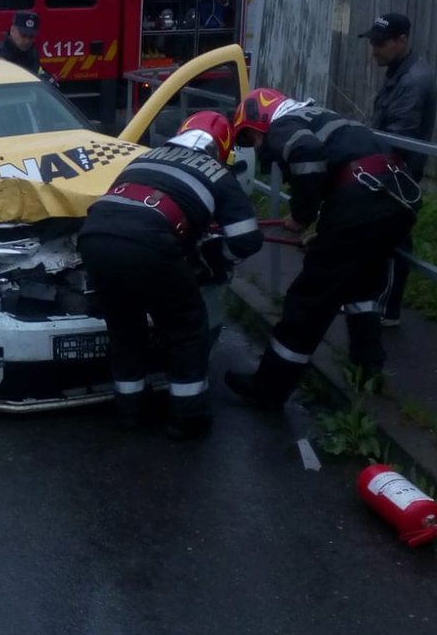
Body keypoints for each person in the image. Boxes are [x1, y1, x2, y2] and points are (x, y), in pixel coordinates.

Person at [225, 89, 420, 409]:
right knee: (363, 285)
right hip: (393, 200)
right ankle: (368, 367)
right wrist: (327, 231)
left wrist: (302, 217)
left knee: (308, 300)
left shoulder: (281, 125)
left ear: (259, 119)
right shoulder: (318, 115)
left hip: (361, 201)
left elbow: (307, 156)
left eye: (250, 138)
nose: (256, 147)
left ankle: (269, 388)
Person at [78, 112, 263, 440]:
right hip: (150, 244)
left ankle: (130, 412)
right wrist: (214, 258)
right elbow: (247, 240)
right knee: (187, 329)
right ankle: (187, 419)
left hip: (94, 238)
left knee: (125, 329)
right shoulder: (218, 172)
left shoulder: (145, 156)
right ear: (220, 147)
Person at [361, 12, 436, 327]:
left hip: (397, 174)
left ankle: (386, 310)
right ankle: (370, 302)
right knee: (377, 237)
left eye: (380, 43)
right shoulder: (398, 70)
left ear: (401, 40)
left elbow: (398, 139)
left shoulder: (413, 80)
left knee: (393, 239)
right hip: (388, 168)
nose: (374, 50)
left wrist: (366, 162)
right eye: (373, 42)